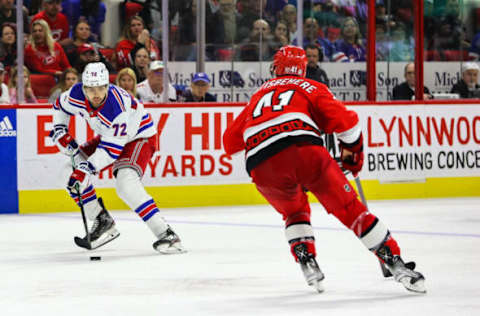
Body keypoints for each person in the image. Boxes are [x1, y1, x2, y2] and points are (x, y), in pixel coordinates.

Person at [222, 45, 426, 294]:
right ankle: (396, 263)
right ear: (304, 68)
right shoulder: (312, 87)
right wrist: (352, 156)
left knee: (294, 212)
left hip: (260, 164)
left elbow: (230, 143)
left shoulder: (257, 96)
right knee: (351, 210)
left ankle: (307, 261)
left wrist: (268, 164)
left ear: (275, 68)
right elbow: (348, 123)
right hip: (304, 151)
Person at [50, 62, 185, 253]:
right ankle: (101, 220)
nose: (95, 94)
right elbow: (59, 107)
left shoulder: (116, 108)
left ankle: (167, 235)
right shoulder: (76, 93)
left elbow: (110, 151)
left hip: (139, 136)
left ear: (107, 86)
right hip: (110, 137)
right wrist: (60, 128)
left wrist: (86, 170)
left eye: (100, 88)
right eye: (90, 89)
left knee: (126, 183)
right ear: (84, 87)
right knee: (68, 171)